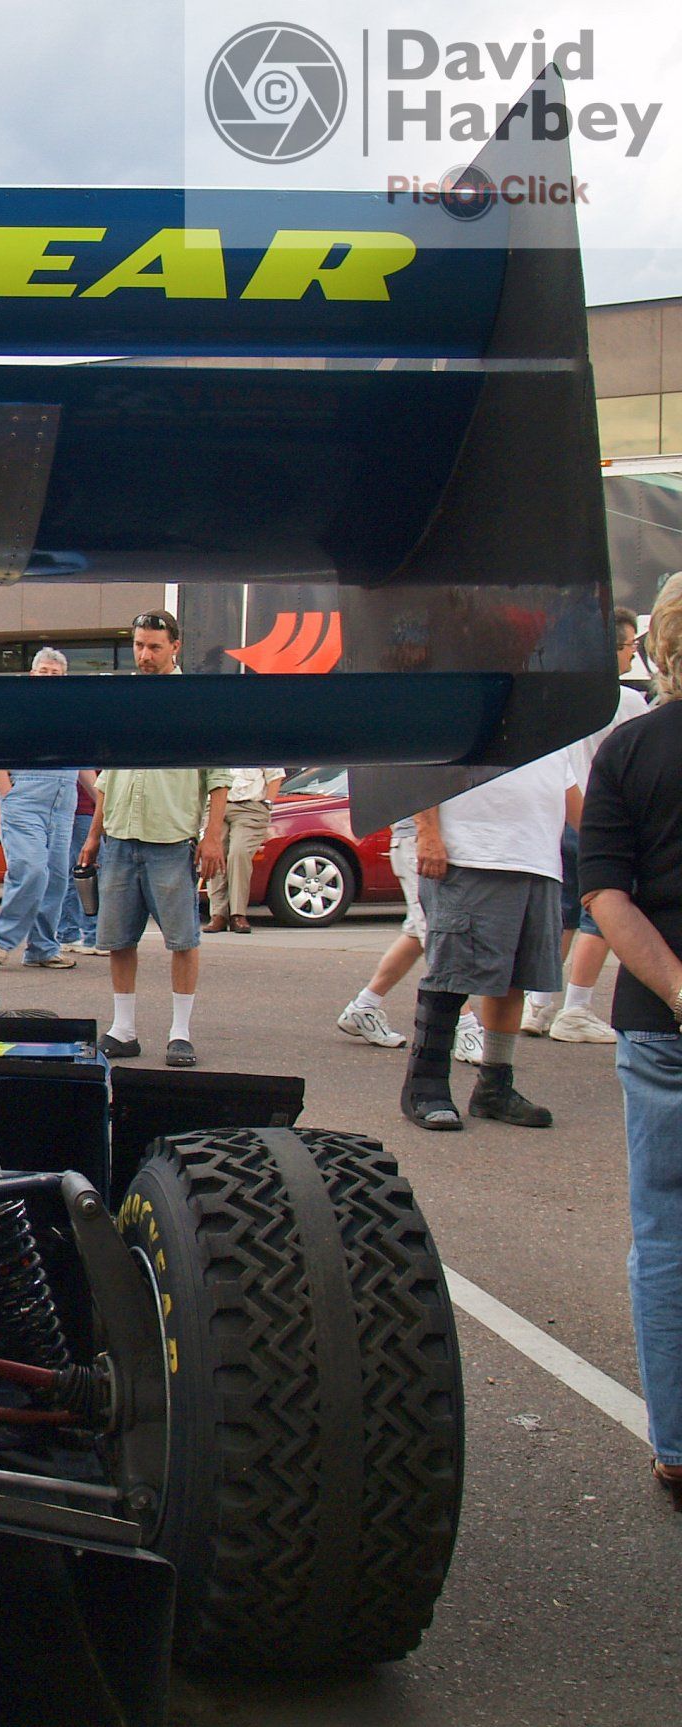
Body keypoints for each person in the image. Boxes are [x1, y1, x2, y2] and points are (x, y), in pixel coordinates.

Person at [580, 572, 682, 1507]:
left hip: (663, 1027)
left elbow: (607, 894)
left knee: (666, 1237)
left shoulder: (630, 749)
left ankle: (679, 1445)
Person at [397, 746, 583, 1131]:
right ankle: (425, 1085)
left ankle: (494, 1087)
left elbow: (571, 796)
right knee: (452, 974)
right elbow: (424, 764)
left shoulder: (554, 726)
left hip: (537, 861)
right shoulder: (474, 700)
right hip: (472, 854)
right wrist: (428, 832)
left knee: (514, 979)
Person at [77, 611, 229, 1068]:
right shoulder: (124, 699)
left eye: (155, 647)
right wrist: (92, 835)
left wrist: (213, 837)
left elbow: (219, 774)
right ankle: (123, 1029)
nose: (145, 655)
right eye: (140, 645)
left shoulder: (196, 702)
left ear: (176, 647)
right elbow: (109, 776)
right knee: (119, 939)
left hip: (171, 840)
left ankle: (180, 1032)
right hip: (120, 837)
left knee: (182, 939)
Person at [524, 607, 651, 1043]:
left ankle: (539, 1006)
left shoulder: (561, 696)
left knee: (560, 916)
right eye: (629, 646)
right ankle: (576, 1008)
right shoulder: (626, 701)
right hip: (606, 819)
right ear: (610, 649)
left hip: (560, 812)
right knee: (603, 912)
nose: (633, 656)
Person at [336, 814, 485, 1061]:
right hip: (419, 841)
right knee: (438, 935)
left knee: (417, 933)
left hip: (426, 838)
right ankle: (466, 1029)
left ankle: (363, 1007)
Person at [0, 647, 77, 969]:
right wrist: (7, 792)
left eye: (56, 674)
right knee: (31, 868)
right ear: (32, 675)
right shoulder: (16, 709)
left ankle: (42, 947)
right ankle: (3, 939)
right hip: (25, 797)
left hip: (63, 800)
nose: (50, 678)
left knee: (55, 877)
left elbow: (81, 761)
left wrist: (100, 799)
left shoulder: (73, 715)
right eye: (44, 672)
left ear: (64, 678)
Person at [203, 766, 285, 933]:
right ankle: (218, 914)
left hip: (250, 806)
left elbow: (275, 775)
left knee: (238, 854)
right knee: (215, 854)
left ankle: (237, 914)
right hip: (216, 805)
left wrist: (267, 803)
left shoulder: (258, 743)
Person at [55, 769, 101, 955]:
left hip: (85, 809)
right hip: (85, 809)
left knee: (75, 873)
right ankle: (92, 935)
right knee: (87, 873)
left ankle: (68, 933)